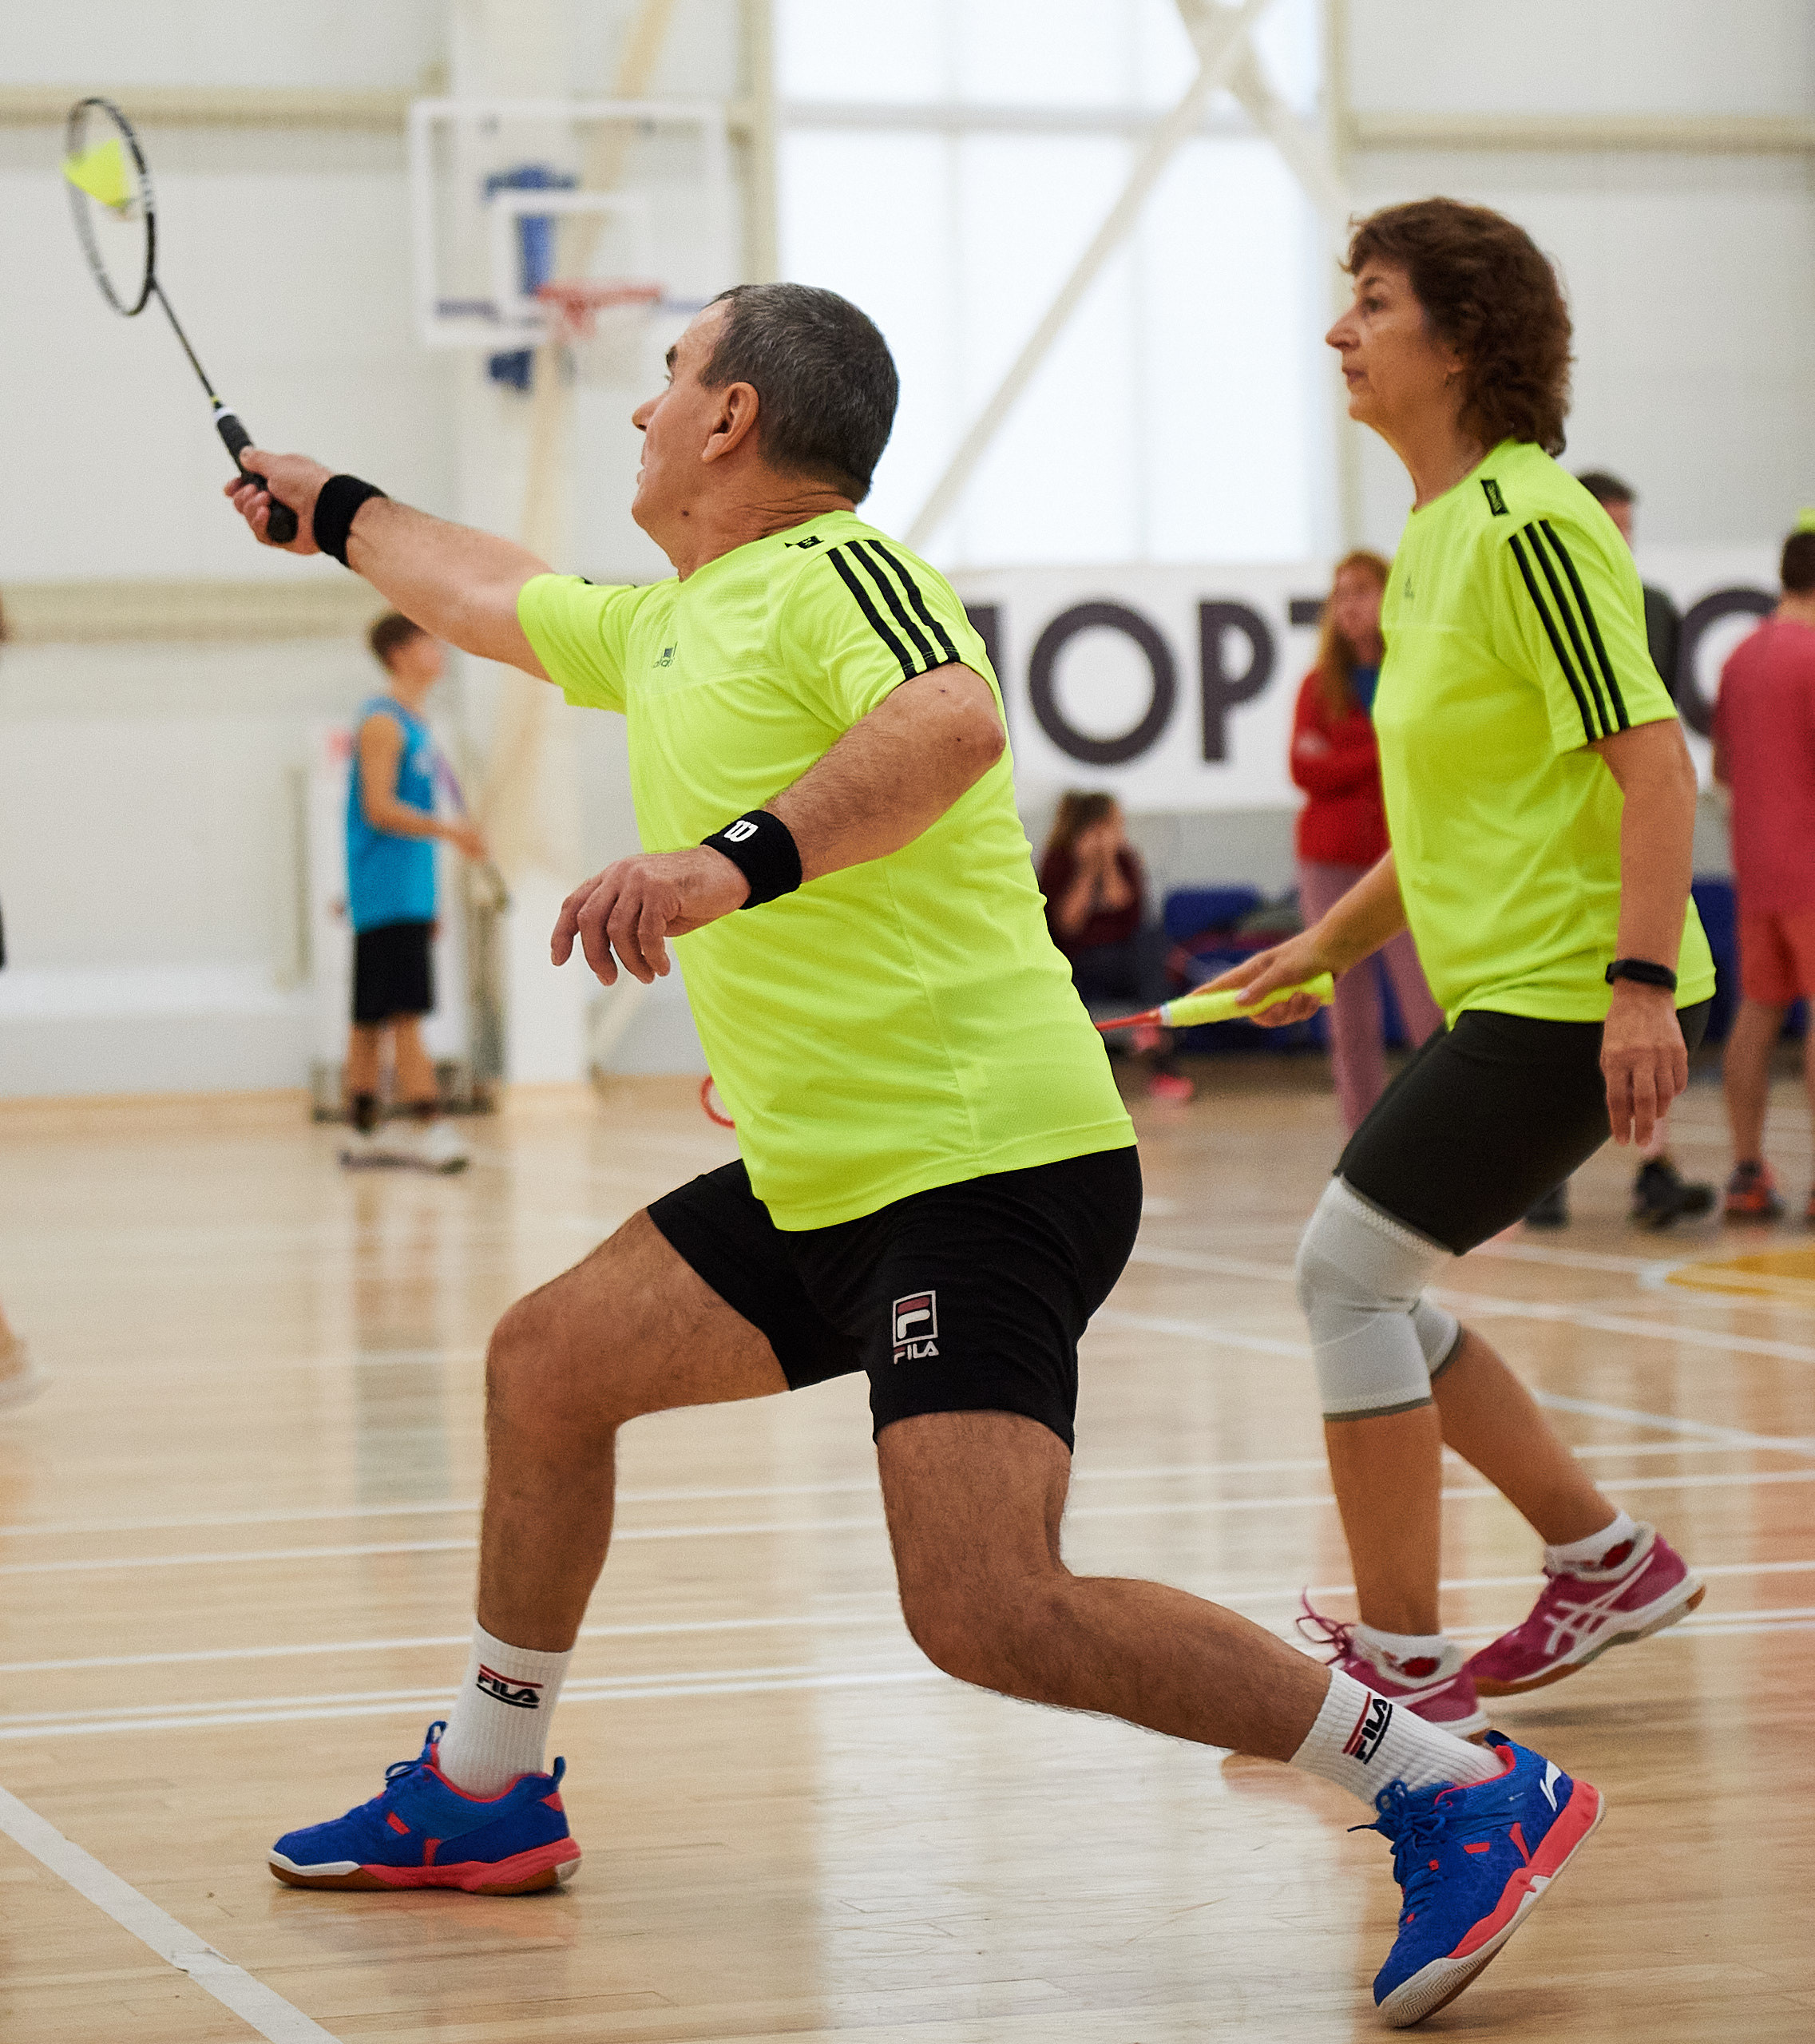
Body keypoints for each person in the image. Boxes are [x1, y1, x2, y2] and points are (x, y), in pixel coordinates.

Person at [226, 279, 1600, 2026]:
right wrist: (331, 508)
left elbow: (949, 726)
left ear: (732, 420)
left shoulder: (838, 574)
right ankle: (484, 1792)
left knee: (985, 1604)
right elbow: (483, 589)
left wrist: (726, 862)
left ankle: (1453, 1786)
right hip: (826, 1170)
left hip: (977, 1163)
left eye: (666, 376)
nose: (643, 407)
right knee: (546, 1365)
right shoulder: (670, 623)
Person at [1216, 199, 1713, 1741]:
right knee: (1382, 1285)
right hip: (1508, 985)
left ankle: (1402, 1668)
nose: (1336, 332)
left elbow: (1654, 768)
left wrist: (1637, 983)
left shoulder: (1526, 524)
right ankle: (1602, 1560)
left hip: (1573, 988)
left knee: (1342, 1275)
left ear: (1462, 340)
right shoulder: (1435, 537)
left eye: (1370, 303)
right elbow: (1454, 820)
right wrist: (1324, 946)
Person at [1522, 470, 1714, 1230]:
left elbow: (1653, 728)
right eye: (1610, 523)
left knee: (1645, 1000)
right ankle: (1542, 1174)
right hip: (1558, 833)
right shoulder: (1544, 594)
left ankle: (1652, 1167)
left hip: (1632, 825)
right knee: (1552, 1007)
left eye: (1629, 525)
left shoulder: (1654, 606)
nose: (1622, 538)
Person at [1290, 551, 1444, 1131]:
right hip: (1327, 862)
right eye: (1340, 594)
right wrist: (1383, 749)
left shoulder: (1415, 669)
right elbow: (1306, 771)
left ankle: (1438, 1133)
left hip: (1401, 859)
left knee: (1425, 1007)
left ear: (1390, 594)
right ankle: (1361, 1141)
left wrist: (1344, 754)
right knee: (1347, 1018)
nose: (1349, 604)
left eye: (1361, 590)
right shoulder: (1317, 685)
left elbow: (1428, 754)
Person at [340, 613, 487, 1173]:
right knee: (402, 1012)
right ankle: (430, 1126)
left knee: (374, 1015)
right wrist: (452, 830)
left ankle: (361, 1128)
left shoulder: (417, 721)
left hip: (406, 893)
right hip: (386, 891)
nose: (441, 647)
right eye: (430, 638)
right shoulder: (383, 723)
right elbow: (378, 809)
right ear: (400, 652)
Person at [1713, 522, 1815, 1222]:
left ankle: (1746, 1171)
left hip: (1754, 867)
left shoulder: (1738, 659)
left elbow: (1721, 771)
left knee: (1756, 1014)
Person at [1037, 792, 1193, 1103]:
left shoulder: (1124, 860)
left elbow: (1130, 914)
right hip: (1078, 962)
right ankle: (1157, 1042)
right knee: (1148, 950)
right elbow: (1066, 926)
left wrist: (1107, 863)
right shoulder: (1057, 861)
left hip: (1124, 958)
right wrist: (1086, 870)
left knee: (1152, 939)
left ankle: (1154, 1034)